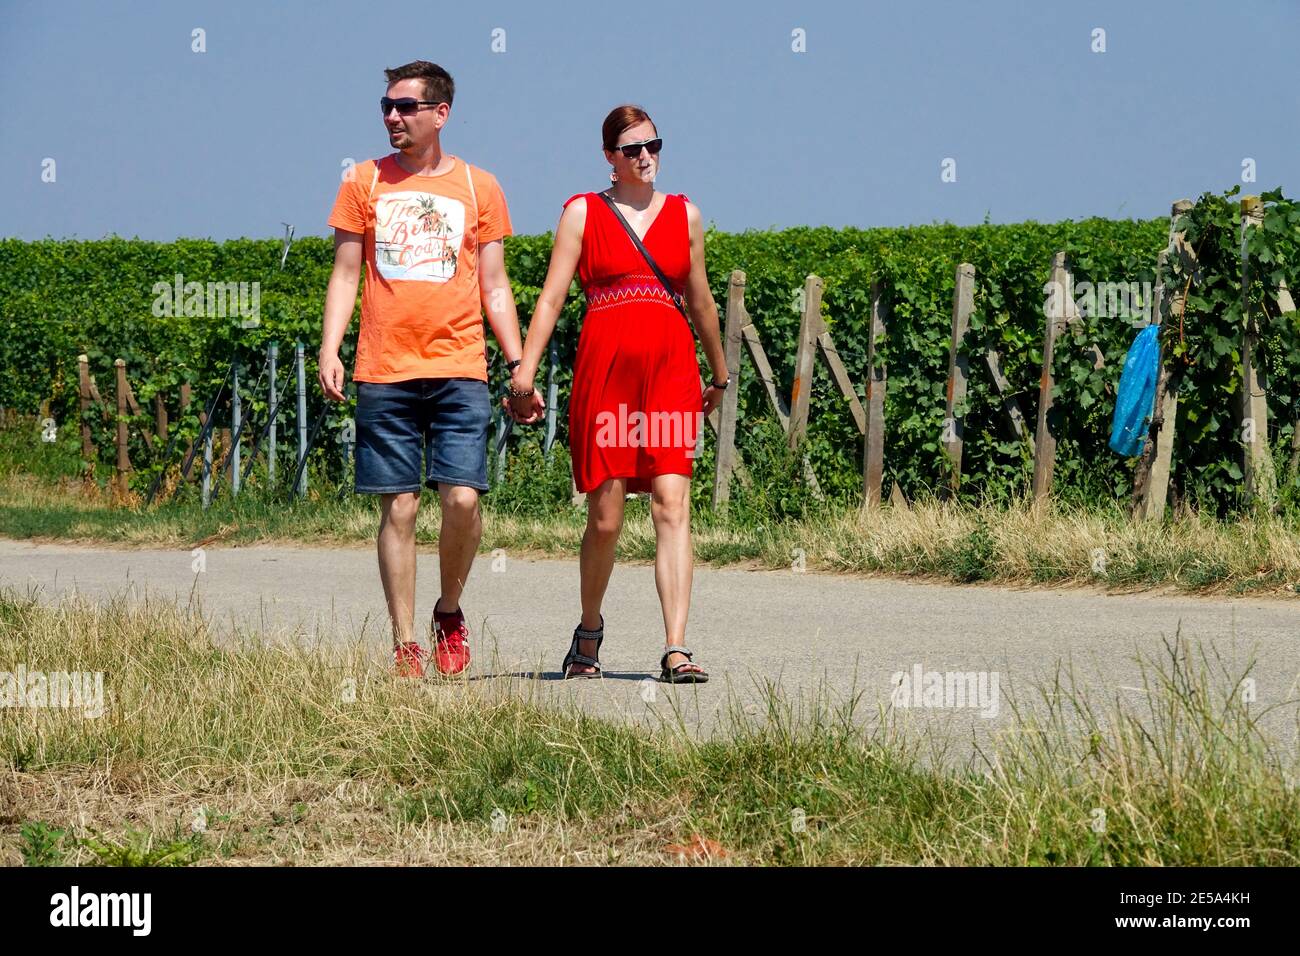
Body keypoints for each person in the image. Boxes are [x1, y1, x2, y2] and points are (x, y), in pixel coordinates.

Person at [319, 60, 535, 678]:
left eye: (405, 107)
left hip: (461, 365)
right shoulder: (362, 182)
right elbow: (345, 273)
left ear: (440, 113)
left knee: (463, 498)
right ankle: (405, 640)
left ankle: (449, 610)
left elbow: (494, 285)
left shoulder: (479, 187)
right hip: (384, 368)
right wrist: (331, 348)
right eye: (386, 106)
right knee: (401, 508)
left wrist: (518, 363)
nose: (392, 116)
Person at [507, 105, 729, 683]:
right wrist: (524, 372)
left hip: (671, 378)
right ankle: (588, 631)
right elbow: (552, 299)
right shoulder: (583, 212)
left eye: (654, 144)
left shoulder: (687, 216)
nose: (646, 156)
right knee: (605, 519)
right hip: (606, 377)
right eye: (632, 149)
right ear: (609, 157)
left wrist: (721, 374)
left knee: (671, 506)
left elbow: (701, 301)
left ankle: (675, 648)